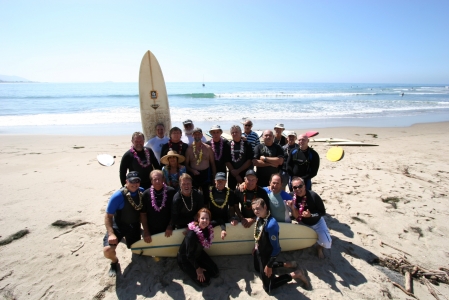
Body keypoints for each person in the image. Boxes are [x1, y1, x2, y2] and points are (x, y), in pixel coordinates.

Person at [252, 198, 309, 293]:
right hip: (260, 250)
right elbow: (258, 233)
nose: (256, 211)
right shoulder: (259, 217)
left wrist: (269, 265)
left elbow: (277, 249)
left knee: (268, 288)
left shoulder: (271, 225)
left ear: (265, 207)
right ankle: (286, 264)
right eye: (254, 209)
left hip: (267, 254)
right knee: (257, 268)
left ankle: (296, 274)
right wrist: (256, 246)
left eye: (258, 208)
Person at [103, 171, 144, 277]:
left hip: (134, 226)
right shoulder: (118, 196)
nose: (135, 184)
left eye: (137, 181)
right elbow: (108, 216)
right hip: (119, 226)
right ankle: (114, 262)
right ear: (126, 181)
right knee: (108, 250)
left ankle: (128, 240)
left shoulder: (142, 192)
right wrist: (111, 234)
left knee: (136, 251)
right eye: (132, 181)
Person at [287, 177, 331, 259]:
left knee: (327, 243)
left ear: (304, 186)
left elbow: (322, 212)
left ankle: (319, 247)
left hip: (317, 222)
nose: (298, 189)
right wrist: (292, 208)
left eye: (300, 186)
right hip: (302, 223)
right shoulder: (291, 196)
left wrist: (310, 215)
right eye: (295, 187)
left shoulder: (313, 196)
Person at [177, 208, 219, 287]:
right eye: (202, 218)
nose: (204, 221)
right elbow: (189, 255)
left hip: (198, 253)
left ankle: (200, 266)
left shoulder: (208, 227)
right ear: (198, 219)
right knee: (205, 281)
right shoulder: (192, 235)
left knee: (215, 272)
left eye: (207, 218)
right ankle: (196, 268)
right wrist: (198, 269)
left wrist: (223, 230)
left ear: (209, 220)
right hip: (186, 259)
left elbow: (220, 221)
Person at [141, 170, 176, 243]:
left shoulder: (171, 192)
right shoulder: (146, 194)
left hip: (168, 229)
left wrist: (170, 226)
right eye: (155, 179)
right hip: (152, 229)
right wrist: (146, 231)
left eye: (159, 179)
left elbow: (175, 211)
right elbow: (143, 214)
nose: (157, 181)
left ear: (163, 179)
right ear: (151, 181)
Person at [185, 128, 216, 199]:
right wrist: (192, 170)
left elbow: (212, 163)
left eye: (199, 134)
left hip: (206, 175)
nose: (197, 136)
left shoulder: (208, 148)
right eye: (195, 134)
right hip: (194, 176)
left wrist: (214, 177)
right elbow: (186, 165)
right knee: (194, 197)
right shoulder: (189, 149)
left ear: (202, 135)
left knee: (207, 197)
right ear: (192, 135)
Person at [208, 172, 238, 240]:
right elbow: (205, 206)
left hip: (224, 218)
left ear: (226, 182)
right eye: (218, 180)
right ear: (215, 181)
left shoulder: (230, 192)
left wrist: (232, 218)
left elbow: (231, 207)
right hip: (212, 218)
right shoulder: (210, 191)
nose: (220, 182)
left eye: (222, 180)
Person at [226, 125, 254, 190]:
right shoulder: (228, 145)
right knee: (231, 192)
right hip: (233, 173)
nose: (234, 134)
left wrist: (238, 171)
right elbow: (227, 161)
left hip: (245, 173)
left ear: (241, 133)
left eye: (236, 132)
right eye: (232, 132)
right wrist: (236, 175)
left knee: (245, 191)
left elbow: (249, 161)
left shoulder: (247, 144)